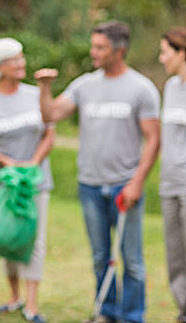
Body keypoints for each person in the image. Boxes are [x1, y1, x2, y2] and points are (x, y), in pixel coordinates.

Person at [36, 21, 160, 323]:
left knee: (131, 260)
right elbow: (50, 114)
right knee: (99, 257)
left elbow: (154, 139)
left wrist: (136, 182)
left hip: (124, 186)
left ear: (119, 50)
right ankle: (106, 312)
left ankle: (131, 316)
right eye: (93, 46)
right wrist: (45, 87)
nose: (93, 52)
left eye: (100, 47)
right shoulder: (84, 85)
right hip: (90, 185)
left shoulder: (141, 88)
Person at [0, 38, 55, 323]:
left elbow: (50, 133)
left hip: (35, 183)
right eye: (14, 59)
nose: (21, 63)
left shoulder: (35, 96)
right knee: (9, 239)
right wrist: (6, 161)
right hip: (4, 185)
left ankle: (31, 305)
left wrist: (33, 162)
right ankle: (13, 297)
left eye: (21, 57)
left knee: (34, 240)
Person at [158, 27, 186, 323]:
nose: (161, 57)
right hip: (170, 184)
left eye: (165, 51)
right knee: (175, 255)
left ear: (182, 53)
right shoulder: (170, 87)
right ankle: (183, 309)